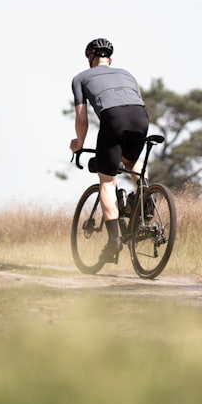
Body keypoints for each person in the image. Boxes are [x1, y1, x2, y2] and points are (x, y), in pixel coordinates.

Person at [69, 38, 149, 263]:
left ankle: (114, 240)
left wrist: (79, 143)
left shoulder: (80, 78)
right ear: (110, 59)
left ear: (91, 59)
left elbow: (81, 117)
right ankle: (145, 194)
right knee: (132, 161)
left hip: (113, 118)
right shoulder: (127, 74)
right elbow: (135, 103)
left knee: (107, 181)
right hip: (141, 118)